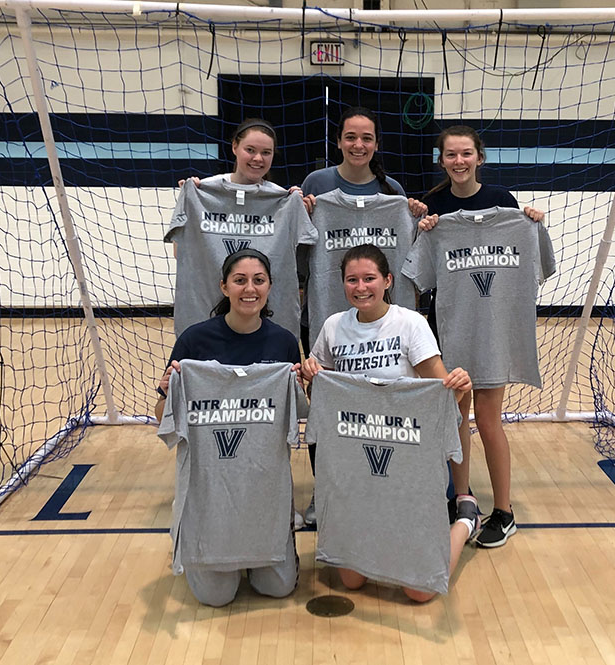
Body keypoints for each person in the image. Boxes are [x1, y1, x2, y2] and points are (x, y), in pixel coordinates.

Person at [298, 243, 477, 603]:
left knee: (420, 592)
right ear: (343, 284)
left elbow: (440, 394)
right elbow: (321, 400)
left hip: (406, 457)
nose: (361, 287)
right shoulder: (334, 327)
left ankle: (465, 519)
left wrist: (461, 388)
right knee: (350, 580)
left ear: (388, 280)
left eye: (369, 278)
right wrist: (311, 375)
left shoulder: (410, 324)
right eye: (352, 280)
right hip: (355, 462)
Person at [297, 106, 426, 525]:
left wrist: (420, 217)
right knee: (327, 411)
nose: (358, 145)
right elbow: (295, 243)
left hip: (383, 328)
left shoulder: (394, 195)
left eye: (366, 138)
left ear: (376, 144)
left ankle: (383, 484)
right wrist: (302, 208)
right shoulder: (317, 186)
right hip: (330, 325)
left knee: (378, 413)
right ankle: (325, 492)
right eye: (350, 137)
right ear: (338, 142)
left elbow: (410, 260)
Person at [418, 125, 545, 549]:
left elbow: (539, 266)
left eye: (466, 154)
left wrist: (531, 224)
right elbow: (417, 275)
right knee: (455, 417)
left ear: (480, 157)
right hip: (449, 327)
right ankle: (463, 499)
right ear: (442, 160)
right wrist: (425, 228)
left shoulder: (505, 204)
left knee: (489, 420)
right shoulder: (433, 207)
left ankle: (504, 511)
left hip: (492, 331)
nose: (458, 161)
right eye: (451, 155)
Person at [155, 249, 303, 607]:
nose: (249, 289)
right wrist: (166, 389)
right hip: (211, 491)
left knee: (278, 588)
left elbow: (301, 416)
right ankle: (196, 528)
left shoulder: (283, 342)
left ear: (269, 287)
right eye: (239, 281)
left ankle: (276, 535)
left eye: (258, 280)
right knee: (215, 596)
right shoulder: (195, 342)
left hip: (263, 487)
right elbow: (164, 418)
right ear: (224, 287)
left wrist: (305, 383)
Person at [169, 118, 316, 338]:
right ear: (234, 147)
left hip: (265, 319)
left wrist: (299, 207)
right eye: (250, 150)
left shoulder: (284, 200)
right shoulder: (202, 191)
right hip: (208, 318)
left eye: (266, 152)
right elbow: (179, 253)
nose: (258, 158)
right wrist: (192, 199)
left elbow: (304, 258)